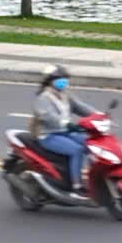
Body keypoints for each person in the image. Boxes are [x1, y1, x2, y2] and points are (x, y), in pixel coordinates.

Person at [30, 65, 93, 194]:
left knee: (92, 144)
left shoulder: (65, 94)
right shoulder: (44, 97)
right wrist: (66, 124)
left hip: (65, 132)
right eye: (60, 78)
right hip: (48, 135)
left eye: (65, 78)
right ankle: (77, 185)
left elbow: (81, 107)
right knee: (77, 150)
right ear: (50, 80)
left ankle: (94, 179)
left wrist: (99, 116)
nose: (64, 81)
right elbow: (49, 117)